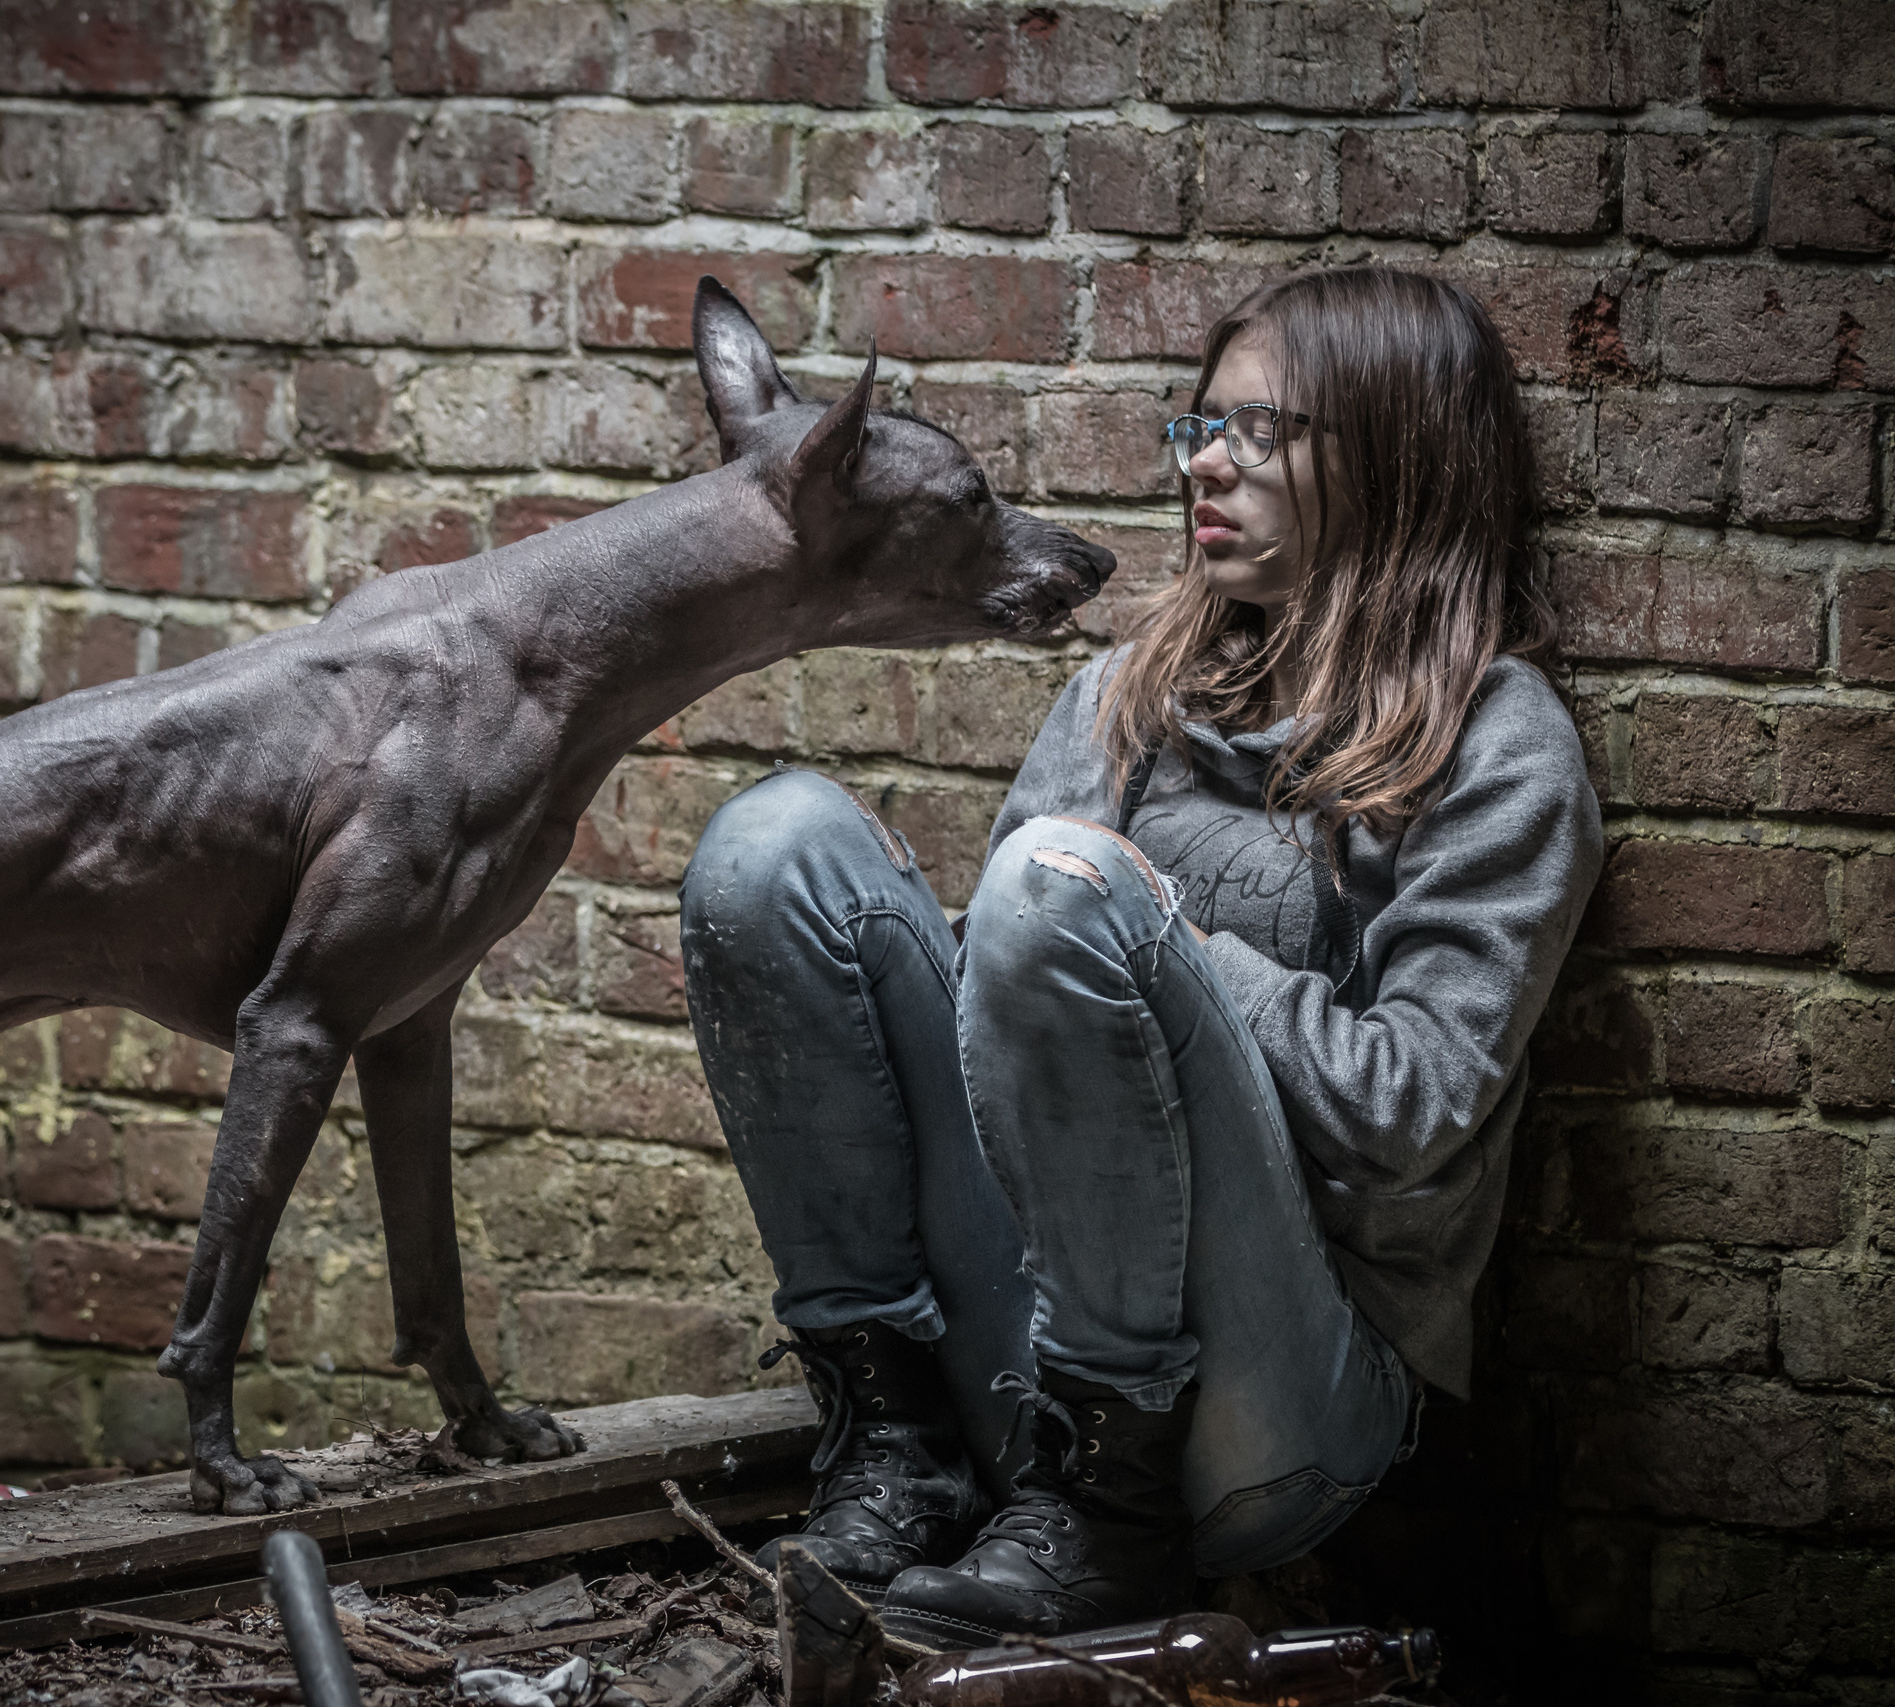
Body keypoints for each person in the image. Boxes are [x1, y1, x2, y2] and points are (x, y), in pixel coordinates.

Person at [679, 266, 1603, 1648]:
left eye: (1261, 432)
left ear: (1400, 460)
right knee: (773, 846)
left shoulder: (1497, 742)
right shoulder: (1124, 695)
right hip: (1030, 1372)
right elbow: (1007, 1049)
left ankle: (1114, 1522)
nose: (1205, 466)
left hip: (1276, 1415)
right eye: (1197, 429)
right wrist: (1083, 934)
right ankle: (897, 1437)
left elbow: (1408, 1106)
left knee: (1063, 886)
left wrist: (1153, 937)